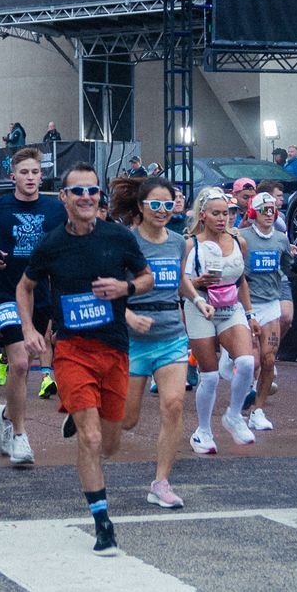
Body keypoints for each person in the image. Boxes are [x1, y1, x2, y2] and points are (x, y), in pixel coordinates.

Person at [18, 163, 153, 556]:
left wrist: (125, 287)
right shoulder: (51, 244)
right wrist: (29, 329)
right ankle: (102, 523)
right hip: (73, 350)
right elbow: (24, 287)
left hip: (114, 349)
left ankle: (81, 414)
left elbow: (146, 278)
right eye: (77, 192)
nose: (86, 198)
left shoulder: (117, 237)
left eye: (92, 191)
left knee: (111, 442)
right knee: (91, 439)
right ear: (63, 198)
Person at [0, 146, 66, 466]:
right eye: (24, 173)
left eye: (35, 172)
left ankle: (5, 415)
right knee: (20, 364)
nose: (30, 178)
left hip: (40, 296)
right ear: (13, 176)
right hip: (5, 292)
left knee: (25, 360)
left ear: (42, 176)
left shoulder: (55, 209)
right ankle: (19, 435)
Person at [111, 176, 195, 508]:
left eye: (168, 205)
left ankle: (160, 482)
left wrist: (196, 299)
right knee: (128, 420)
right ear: (141, 207)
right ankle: (89, 416)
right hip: (133, 337)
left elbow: (180, 278)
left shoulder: (179, 242)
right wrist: (129, 317)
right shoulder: (125, 242)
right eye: (155, 205)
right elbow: (111, 289)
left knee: (173, 405)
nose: (162, 211)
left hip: (171, 333)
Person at [181, 187, 258, 453]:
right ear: (203, 215)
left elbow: (241, 281)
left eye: (226, 213)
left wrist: (250, 315)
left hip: (230, 306)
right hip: (199, 306)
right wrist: (197, 283)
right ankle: (202, 431)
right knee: (210, 376)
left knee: (247, 362)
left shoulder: (239, 242)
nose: (222, 218)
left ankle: (234, 415)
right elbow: (181, 284)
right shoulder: (192, 244)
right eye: (216, 213)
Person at [240, 190, 292, 432]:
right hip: (246, 305)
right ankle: (238, 405)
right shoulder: (242, 238)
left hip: (271, 303)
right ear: (254, 213)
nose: (269, 214)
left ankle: (258, 411)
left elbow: (286, 267)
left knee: (269, 359)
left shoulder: (281, 239)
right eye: (264, 210)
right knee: (251, 362)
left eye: (272, 210)